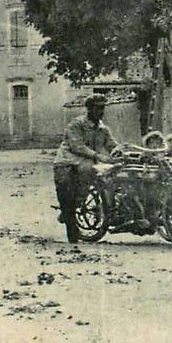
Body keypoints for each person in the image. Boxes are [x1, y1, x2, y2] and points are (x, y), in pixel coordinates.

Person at [53, 94, 120, 244]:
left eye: (103, 108)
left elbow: (112, 144)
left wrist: (119, 151)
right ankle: (72, 235)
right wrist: (98, 155)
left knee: (109, 174)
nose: (101, 111)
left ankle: (109, 208)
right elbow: (77, 146)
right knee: (67, 195)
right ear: (89, 109)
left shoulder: (103, 128)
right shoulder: (76, 125)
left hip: (86, 164)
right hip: (67, 163)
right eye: (98, 108)